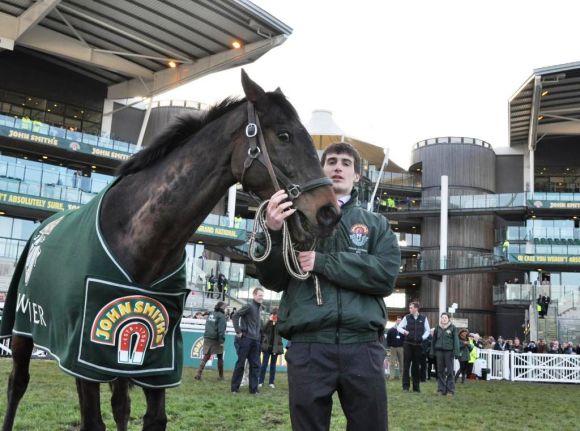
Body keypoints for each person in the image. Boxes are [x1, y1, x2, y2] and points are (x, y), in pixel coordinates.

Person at [255, 142, 400, 431]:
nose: (338, 167)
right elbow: (272, 280)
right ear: (320, 170)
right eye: (331, 161)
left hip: (363, 346)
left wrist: (324, 262)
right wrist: (271, 231)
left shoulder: (376, 224)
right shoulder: (293, 219)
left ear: (357, 176)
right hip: (309, 346)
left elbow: (385, 276)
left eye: (346, 163)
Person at [230, 287, 264, 394]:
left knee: (255, 365)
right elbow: (235, 316)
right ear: (254, 295)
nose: (261, 297)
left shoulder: (259, 308)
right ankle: (235, 388)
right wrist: (238, 331)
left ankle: (253, 389)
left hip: (255, 340)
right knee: (240, 364)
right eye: (260, 295)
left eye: (262, 296)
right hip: (246, 339)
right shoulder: (249, 306)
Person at [398, 301, 431, 393]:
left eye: (411, 307)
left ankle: (416, 388)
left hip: (418, 345)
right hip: (408, 344)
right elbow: (399, 327)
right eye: (409, 308)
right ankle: (405, 387)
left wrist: (422, 338)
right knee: (406, 365)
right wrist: (405, 332)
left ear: (416, 308)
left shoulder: (423, 318)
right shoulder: (407, 317)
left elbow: (428, 330)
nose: (410, 309)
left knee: (416, 366)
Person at [194, 301, 227, 380]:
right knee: (220, 356)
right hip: (216, 339)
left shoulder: (211, 314)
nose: (226, 308)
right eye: (225, 307)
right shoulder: (221, 316)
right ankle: (221, 376)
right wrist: (221, 341)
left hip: (207, 336)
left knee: (206, 356)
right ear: (222, 307)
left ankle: (198, 374)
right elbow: (221, 330)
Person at [430, 313, 460, 396]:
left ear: (448, 319)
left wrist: (457, 352)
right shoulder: (437, 328)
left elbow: (456, 341)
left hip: (449, 352)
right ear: (440, 319)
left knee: (450, 371)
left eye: (445, 317)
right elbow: (433, 341)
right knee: (440, 371)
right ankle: (441, 389)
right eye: (442, 317)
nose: (443, 319)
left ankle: (450, 390)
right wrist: (432, 352)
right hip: (439, 352)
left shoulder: (453, 328)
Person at [259, 308, 284, 388]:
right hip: (267, 347)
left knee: (273, 366)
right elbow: (263, 330)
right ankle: (260, 381)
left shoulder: (280, 324)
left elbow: (282, 331)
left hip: (275, 348)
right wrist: (269, 321)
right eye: (273, 315)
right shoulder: (268, 323)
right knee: (264, 365)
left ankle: (271, 382)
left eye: (276, 315)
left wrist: (278, 323)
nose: (274, 317)